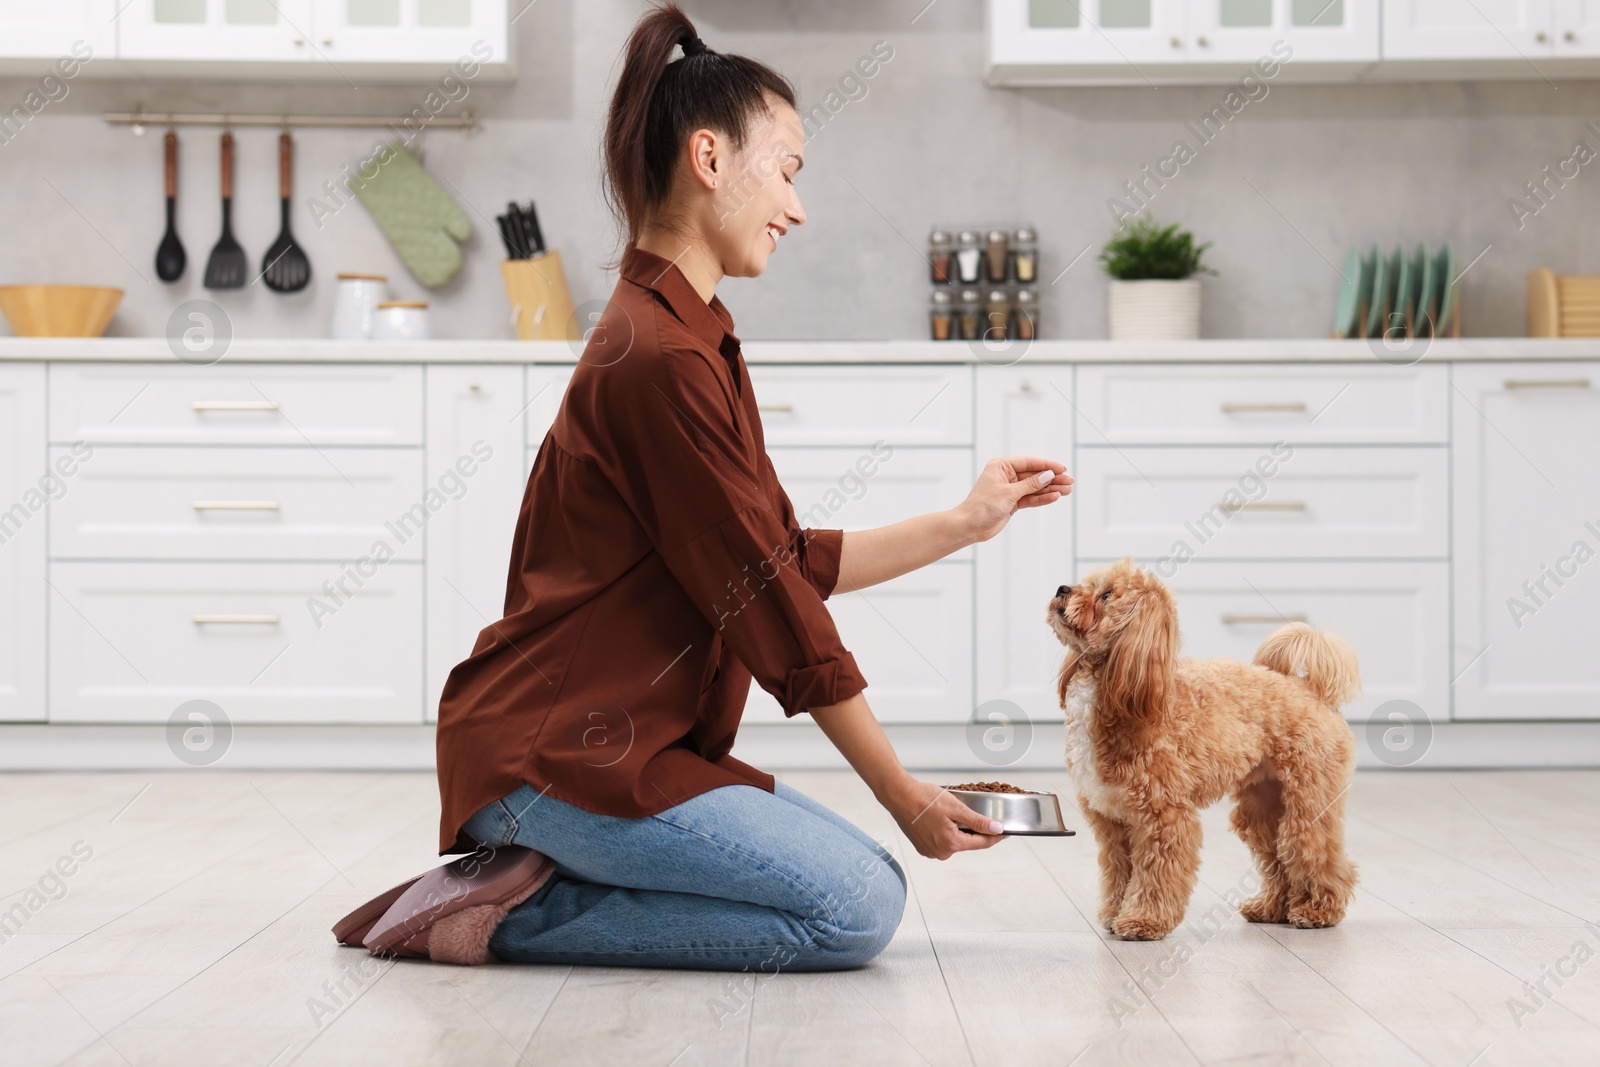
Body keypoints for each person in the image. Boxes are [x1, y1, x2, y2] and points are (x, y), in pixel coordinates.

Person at [334, 2, 1073, 972]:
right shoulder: (653, 357)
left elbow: (782, 557)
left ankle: (534, 874)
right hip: (554, 756)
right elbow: (772, 599)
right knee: (854, 906)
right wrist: (897, 788)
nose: (797, 208)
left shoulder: (692, 334)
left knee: (866, 882)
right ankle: (488, 913)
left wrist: (966, 521)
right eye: (788, 171)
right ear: (710, 157)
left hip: (631, 746)